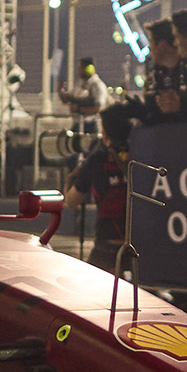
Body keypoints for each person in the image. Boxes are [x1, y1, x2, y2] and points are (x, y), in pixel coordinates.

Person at [62, 106, 134, 272]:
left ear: (106, 134)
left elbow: (71, 202)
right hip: (137, 246)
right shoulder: (141, 154)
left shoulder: (97, 160)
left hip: (106, 247)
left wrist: (71, 179)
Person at [58, 56, 108, 134]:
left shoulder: (97, 86)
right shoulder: (80, 84)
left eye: (81, 68)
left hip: (90, 126)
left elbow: (98, 108)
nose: (78, 71)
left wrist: (78, 109)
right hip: (77, 124)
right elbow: (66, 99)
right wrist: (60, 90)